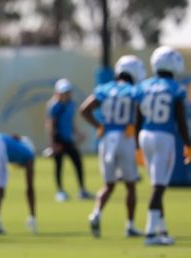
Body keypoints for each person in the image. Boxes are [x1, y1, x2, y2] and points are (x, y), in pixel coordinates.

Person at [79, 55, 146, 238]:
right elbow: (140, 115)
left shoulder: (105, 89)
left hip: (107, 138)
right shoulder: (134, 90)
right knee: (130, 185)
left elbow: (84, 109)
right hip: (126, 137)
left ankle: (96, 214)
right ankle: (130, 225)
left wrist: (100, 126)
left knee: (108, 185)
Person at [134, 46, 191, 246]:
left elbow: (138, 117)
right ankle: (150, 234)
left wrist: (136, 146)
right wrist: (188, 143)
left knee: (158, 184)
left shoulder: (143, 86)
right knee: (158, 187)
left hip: (144, 135)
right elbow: (181, 120)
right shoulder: (175, 88)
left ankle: (162, 229)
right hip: (163, 136)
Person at [46, 78, 93, 202]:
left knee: (78, 163)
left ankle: (82, 190)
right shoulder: (54, 105)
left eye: (67, 91)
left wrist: (78, 134)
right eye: (63, 92)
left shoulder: (71, 104)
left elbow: (71, 122)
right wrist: (52, 144)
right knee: (59, 165)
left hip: (68, 139)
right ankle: (60, 191)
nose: (66, 94)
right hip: (58, 139)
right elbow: (50, 124)